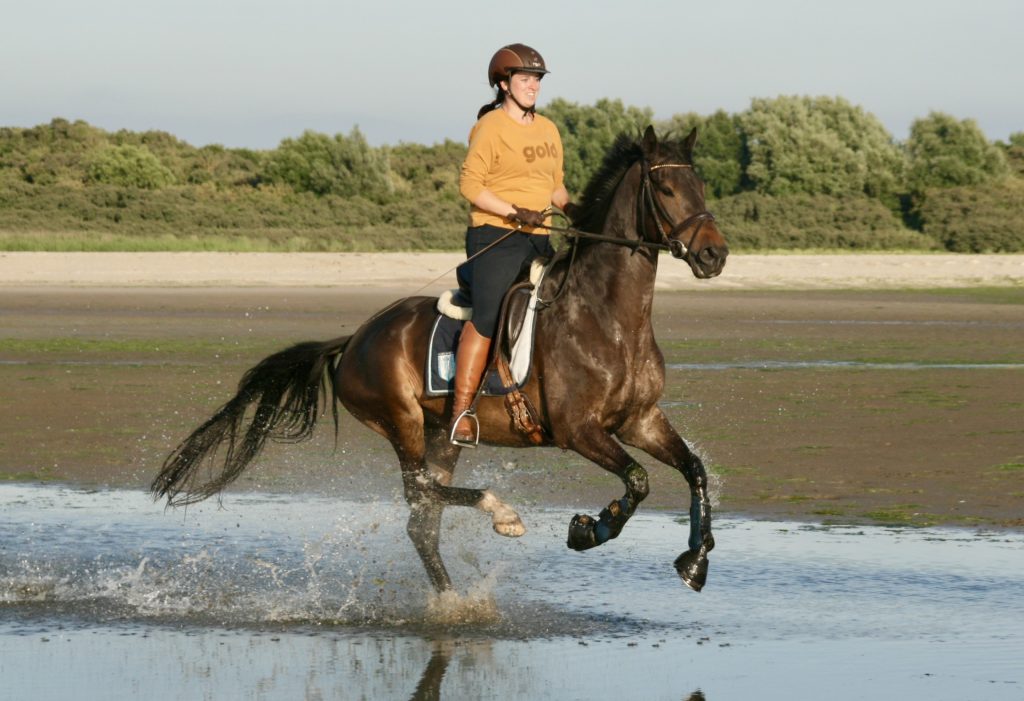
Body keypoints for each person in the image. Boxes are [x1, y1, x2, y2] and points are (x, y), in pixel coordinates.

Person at [451, 43, 571, 446]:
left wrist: (576, 208)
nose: (533, 86)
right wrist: (515, 211)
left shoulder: (549, 129)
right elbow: (470, 186)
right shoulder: (490, 128)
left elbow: (554, 187)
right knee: (488, 314)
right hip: (496, 237)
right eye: (524, 79)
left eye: (536, 79)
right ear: (503, 84)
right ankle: (461, 412)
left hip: (540, 237)